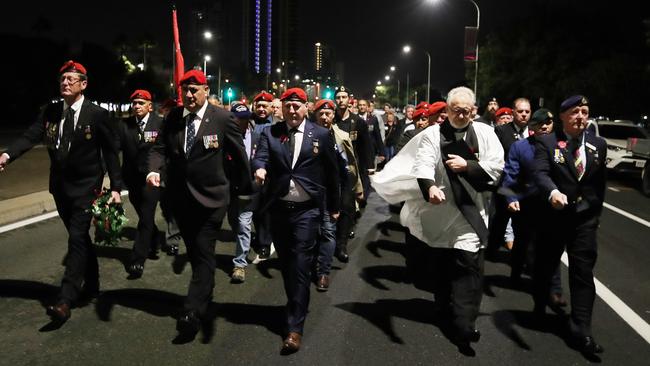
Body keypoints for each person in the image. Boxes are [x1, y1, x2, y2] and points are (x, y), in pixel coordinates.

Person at [372, 86, 504, 352]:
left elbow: (498, 167)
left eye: (466, 111)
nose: (461, 115)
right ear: (446, 110)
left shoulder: (487, 134)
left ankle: (465, 326)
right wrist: (429, 187)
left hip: (471, 213)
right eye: (455, 110)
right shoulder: (433, 135)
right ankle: (443, 308)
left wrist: (468, 166)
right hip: (439, 212)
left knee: (470, 268)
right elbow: (422, 164)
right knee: (443, 269)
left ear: (474, 111)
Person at [0, 60, 123, 323]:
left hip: (87, 187)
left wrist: (115, 187)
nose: (65, 83)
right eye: (62, 79)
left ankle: (65, 299)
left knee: (77, 238)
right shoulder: (51, 111)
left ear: (83, 83)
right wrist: (7, 155)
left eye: (71, 78)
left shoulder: (97, 114)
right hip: (59, 188)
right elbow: (31, 135)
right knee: (78, 239)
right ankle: (93, 282)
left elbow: (111, 153)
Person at [147, 69, 252, 339]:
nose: (190, 94)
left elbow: (239, 156)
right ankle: (205, 290)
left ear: (206, 90)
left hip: (212, 200)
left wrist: (243, 189)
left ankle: (191, 311)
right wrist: (154, 169)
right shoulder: (173, 118)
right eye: (185, 90)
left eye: (195, 89)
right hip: (181, 201)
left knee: (204, 252)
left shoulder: (223, 118)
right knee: (195, 253)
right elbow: (159, 148)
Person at [252, 88, 340, 354]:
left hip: (307, 211)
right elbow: (261, 156)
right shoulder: (271, 132)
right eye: (288, 106)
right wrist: (259, 167)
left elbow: (333, 173)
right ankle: (295, 301)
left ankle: (294, 328)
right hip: (279, 209)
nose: (292, 111)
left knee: (301, 265)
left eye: (297, 106)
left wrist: (334, 206)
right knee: (288, 266)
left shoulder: (321, 135)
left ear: (306, 108)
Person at [532, 95, 606, 355]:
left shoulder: (598, 144)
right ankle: (539, 307)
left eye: (585, 111)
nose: (581, 117)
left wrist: (595, 215)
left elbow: (599, 184)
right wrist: (552, 193)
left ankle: (581, 330)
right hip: (554, 216)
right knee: (545, 266)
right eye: (575, 112)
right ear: (562, 116)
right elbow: (540, 173)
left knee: (583, 273)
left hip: (584, 220)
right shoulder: (548, 142)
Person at [500, 108, 566, 305]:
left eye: (548, 122)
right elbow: (509, 177)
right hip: (526, 204)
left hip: (552, 205)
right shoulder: (520, 148)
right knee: (524, 244)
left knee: (552, 247)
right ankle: (516, 272)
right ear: (532, 126)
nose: (544, 126)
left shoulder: (561, 148)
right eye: (539, 123)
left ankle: (555, 290)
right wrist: (511, 199)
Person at [312, 99, 362, 290]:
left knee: (328, 232)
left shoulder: (341, 136)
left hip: (332, 192)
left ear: (334, 115)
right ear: (315, 115)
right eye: (321, 114)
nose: (325, 117)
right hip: (308, 193)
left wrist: (357, 188)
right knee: (308, 234)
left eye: (328, 114)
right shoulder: (307, 133)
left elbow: (349, 165)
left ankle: (323, 272)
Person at [117, 89, 163, 278]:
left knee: (145, 217)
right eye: (134, 103)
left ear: (150, 106)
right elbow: (113, 149)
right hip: (131, 179)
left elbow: (164, 150)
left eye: (141, 103)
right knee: (144, 215)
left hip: (152, 179)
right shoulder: (124, 125)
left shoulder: (159, 124)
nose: (136, 106)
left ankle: (137, 260)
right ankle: (155, 239)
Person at [488, 98, 531, 256]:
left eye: (527, 112)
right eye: (520, 111)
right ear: (513, 113)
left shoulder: (534, 131)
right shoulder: (502, 131)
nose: (524, 115)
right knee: (500, 219)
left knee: (524, 224)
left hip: (527, 186)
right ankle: (492, 248)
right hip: (506, 182)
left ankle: (521, 256)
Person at [226, 102, 262, 283]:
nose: (241, 122)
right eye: (237, 118)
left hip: (249, 190)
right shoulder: (224, 138)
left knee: (243, 224)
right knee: (234, 222)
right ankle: (247, 244)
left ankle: (239, 264)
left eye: (245, 118)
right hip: (229, 189)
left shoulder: (257, 137)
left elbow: (263, 160)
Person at [333, 86, 373, 208]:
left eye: (344, 97)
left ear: (349, 99)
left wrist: (369, 167)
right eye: (338, 97)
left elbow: (366, 146)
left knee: (349, 204)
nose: (341, 100)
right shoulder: (331, 119)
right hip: (335, 167)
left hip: (353, 167)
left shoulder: (358, 122)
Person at [358, 99, 385, 172]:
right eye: (360, 105)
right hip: (358, 151)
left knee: (369, 173)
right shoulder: (354, 119)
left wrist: (382, 152)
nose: (362, 107)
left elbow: (378, 136)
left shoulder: (373, 119)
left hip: (370, 151)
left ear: (367, 107)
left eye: (364, 105)